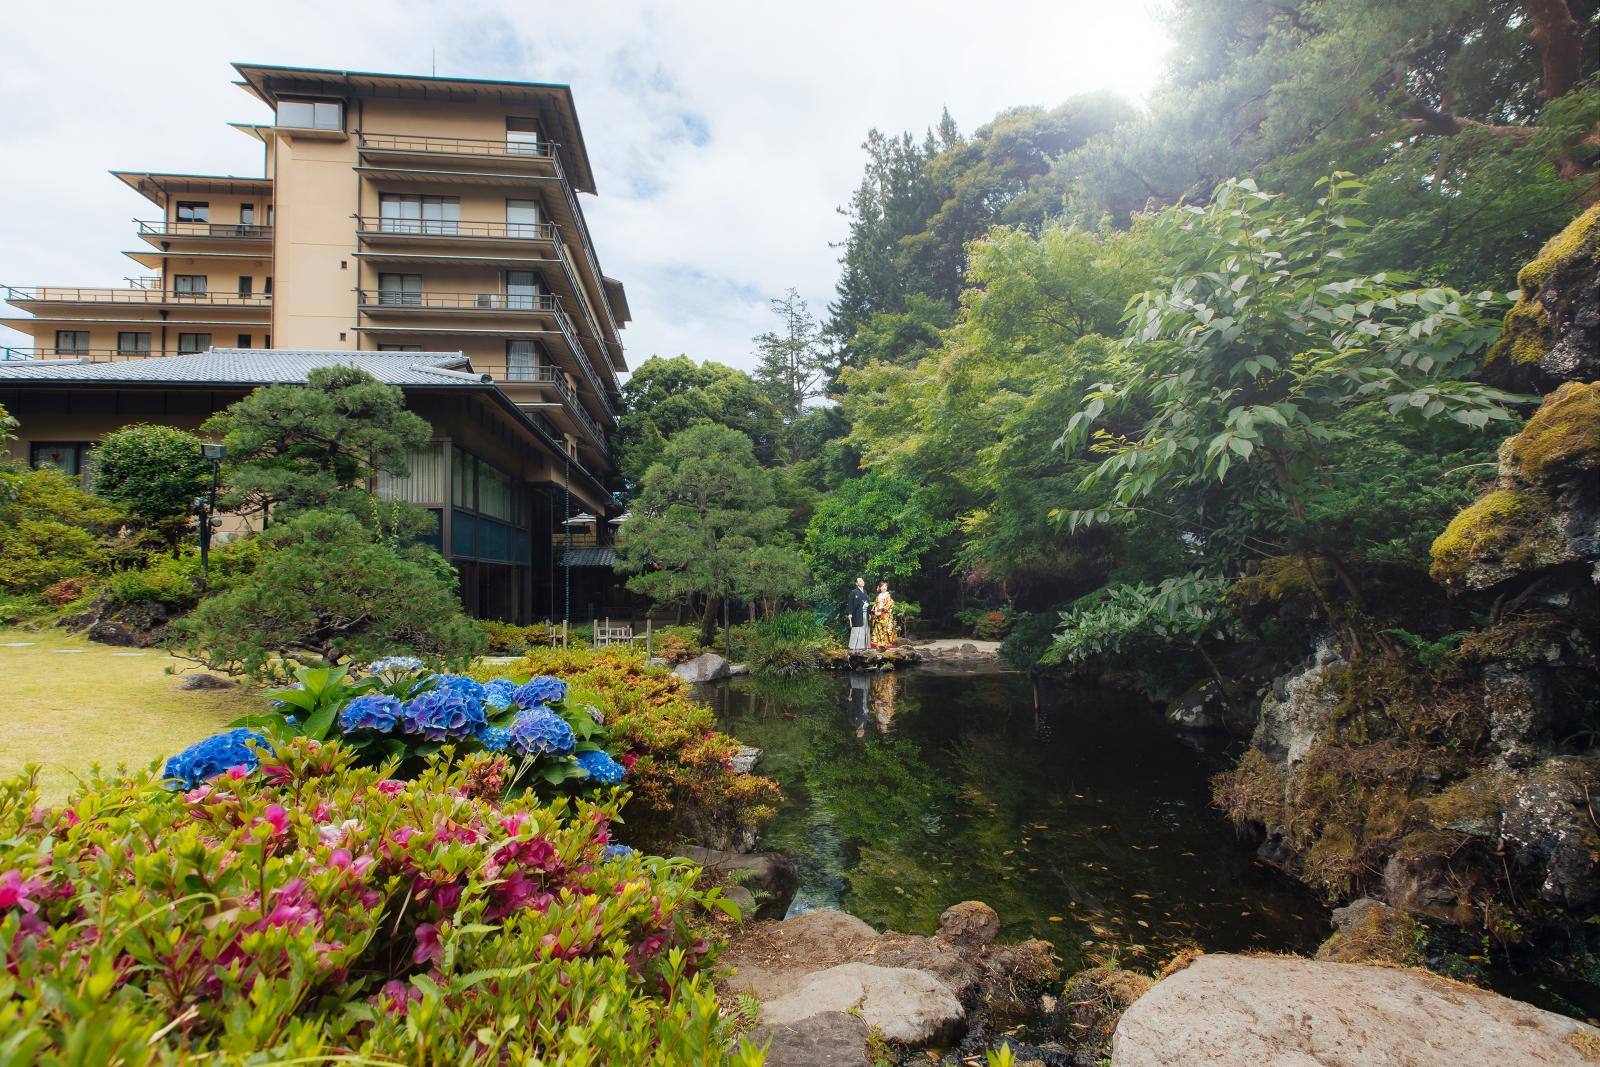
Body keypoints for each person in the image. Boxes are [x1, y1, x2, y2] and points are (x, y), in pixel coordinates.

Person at [847, 576, 871, 651]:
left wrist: (869, 613)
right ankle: (855, 646)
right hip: (857, 614)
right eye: (860, 581)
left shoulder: (865, 592)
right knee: (858, 629)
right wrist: (850, 613)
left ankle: (865, 646)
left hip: (865, 613)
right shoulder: (854, 592)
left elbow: (868, 603)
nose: (862, 582)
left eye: (862, 580)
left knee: (865, 628)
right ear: (856, 583)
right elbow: (850, 603)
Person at [871, 581, 896, 649]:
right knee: (878, 628)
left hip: (885, 615)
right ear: (880, 587)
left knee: (885, 628)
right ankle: (879, 643)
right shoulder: (878, 596)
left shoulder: (888, 595)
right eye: (882, 586)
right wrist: (875, 611)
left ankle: (886, 643)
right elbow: (875, 605)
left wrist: (882, 611)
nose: (884, 588)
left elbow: (890, 605)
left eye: (885, 586)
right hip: (878, 614)